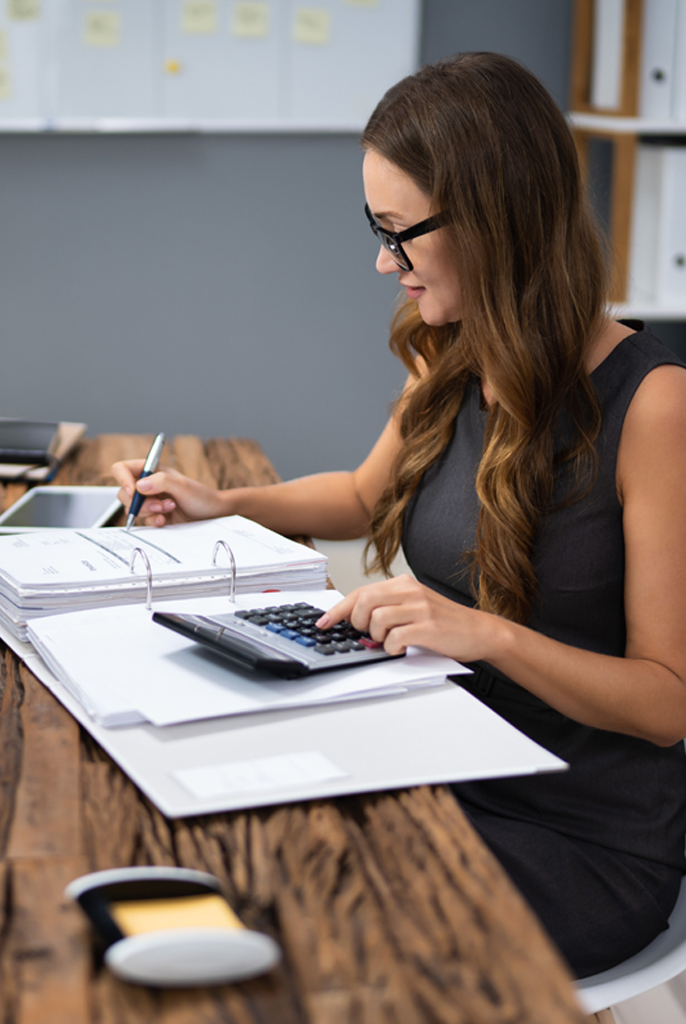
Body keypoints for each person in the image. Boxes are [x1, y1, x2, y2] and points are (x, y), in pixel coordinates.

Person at [111, 52, 686, 979]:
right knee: (227, 848)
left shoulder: (656, 406)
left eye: (400, 233)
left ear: (496, 221)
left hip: (582, 835)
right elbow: (363, 495)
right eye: (375, 229)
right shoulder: (450, 350)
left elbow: (668, 702)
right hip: (444, 760)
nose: (385, 261)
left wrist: (487, 636)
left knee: (310, 934)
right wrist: (227, 502)